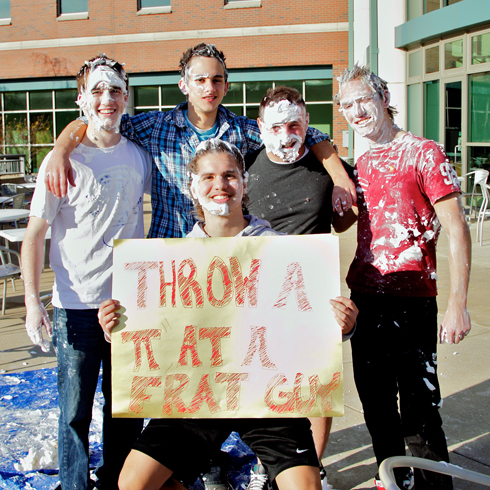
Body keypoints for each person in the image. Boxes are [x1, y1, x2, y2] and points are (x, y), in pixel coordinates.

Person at [98, 139, 358, 490]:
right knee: (133, 482)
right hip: (196, 395)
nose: (220, 185)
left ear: (244, 183)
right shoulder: (168, 263)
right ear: (193, 187)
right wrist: (118, 327)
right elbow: (154, 335)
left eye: (229, 175)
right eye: (208, 177)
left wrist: (343, 324)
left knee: (305, 487)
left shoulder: (285, 250)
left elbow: (312, 326)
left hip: (269, 396)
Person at [43, 43, 356, 236]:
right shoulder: (153, 126)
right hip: (168, 250)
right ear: (184, 84)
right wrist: (61, 149)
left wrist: (340, 177)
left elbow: (307, 133)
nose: (209, 87)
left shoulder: (243, 131)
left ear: (225, 85)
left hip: (221, 252)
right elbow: (96, 120)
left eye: (217, 79)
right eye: (200, 80)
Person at [335, 64, 471, 490]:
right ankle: (393, 480)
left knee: (420, 411)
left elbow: (457, 228)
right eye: (347, 104)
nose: (357, 110)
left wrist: (457, 304)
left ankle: (433, 484)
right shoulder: (356, 163)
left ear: (384, 99)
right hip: (365, 299)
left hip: (414, 300)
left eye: (364, 100)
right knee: (375, 406)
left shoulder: (423, 152)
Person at [21, 54, 151, 490]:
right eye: (96, 90)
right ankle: (74, 484)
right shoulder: (62, 163)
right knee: (73, 411)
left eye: (114, 89)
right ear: (81, 99)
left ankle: (117, 480)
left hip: (126, 307)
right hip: (74, 306)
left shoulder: (139, 156)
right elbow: (34, 236)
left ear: (126, 97)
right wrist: (32, 303)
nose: (106, 98)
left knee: (125, 408)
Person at [243, 85, 357, 489]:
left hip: (312, 295)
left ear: (308, 125)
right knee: (263, 383)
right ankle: (269, 464)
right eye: (277, 126)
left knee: (315, 388)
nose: (286, 133)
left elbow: (344, 221)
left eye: (295, 124)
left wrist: (346, 199)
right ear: (260, 128)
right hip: (257, 296)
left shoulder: (327, 168)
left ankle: (315, 465)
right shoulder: (246, 166)